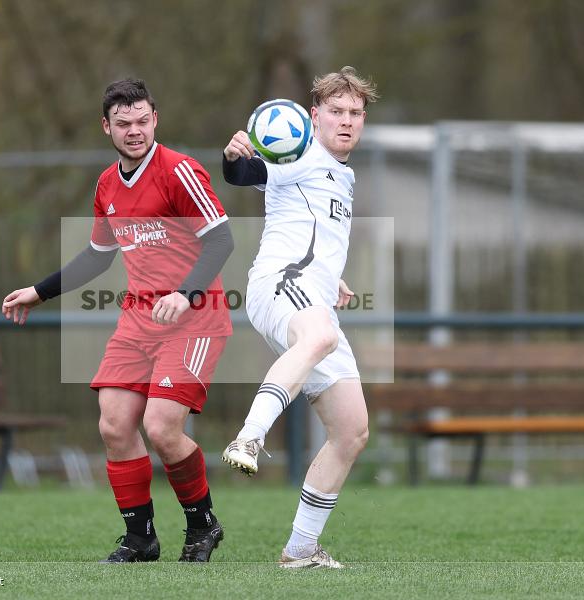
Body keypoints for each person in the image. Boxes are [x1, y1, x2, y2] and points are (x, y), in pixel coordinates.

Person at [2, 78, 234, 563]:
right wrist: (39, 291)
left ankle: (202, 526)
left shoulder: (180, 171)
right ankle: (141, 539)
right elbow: (97, 257)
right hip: (138, 320)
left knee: (163, 427)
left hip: (195, 318)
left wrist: (184, 293)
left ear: (156, 120)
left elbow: (220, 242)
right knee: (113, 426)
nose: (134, 131)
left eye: (143, 121)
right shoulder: (107, 184)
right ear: (106, 126)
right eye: (124, 123)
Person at [220, 66, 378, 569]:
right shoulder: (302, 151)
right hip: (279, 284)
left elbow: (311, 230)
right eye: (336, 111)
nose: (347, 121)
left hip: (312, 291)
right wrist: (234, 156)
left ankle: (301, 548)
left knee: (351, 429)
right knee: (318, 336)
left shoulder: (343, 173)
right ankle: (250, 434)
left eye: (355, 112)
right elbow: (248, 174)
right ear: (314, 117)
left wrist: (334, 278)